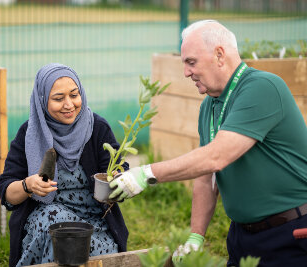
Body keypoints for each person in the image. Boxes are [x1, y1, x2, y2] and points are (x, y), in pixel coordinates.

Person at [109, 20, 307, 266]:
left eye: (191, 62)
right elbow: (206, 176)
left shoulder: (262, 87)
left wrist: (147, 173)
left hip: (290, 233)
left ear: (219, 55)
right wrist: (196, 236)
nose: (186, 72)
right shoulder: (210, 105)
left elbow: (217, 156)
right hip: (242, 237)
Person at [0, 63, 128, 267]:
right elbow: (6, 193)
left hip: (94, 224)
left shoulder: (97, 128)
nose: (69, 104)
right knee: (58, 227)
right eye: (58, 98)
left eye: (74, 95)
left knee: (87, 246)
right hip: (47, 219)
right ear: (42, 100)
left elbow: (118, 169)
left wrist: (119, 179)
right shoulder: (29, 134)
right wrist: (28, 185)